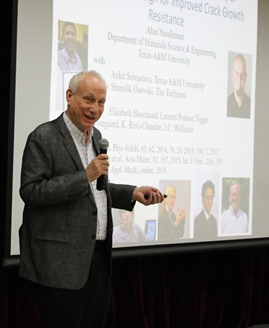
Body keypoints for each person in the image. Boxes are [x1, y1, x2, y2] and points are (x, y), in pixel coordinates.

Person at [19, 70, 164, 328]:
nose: (95, 109)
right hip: (59, 262)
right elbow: (31, 191)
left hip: (96, 257)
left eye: (101, 102)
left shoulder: (96, 137)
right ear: (69, 96)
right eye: (88, 99)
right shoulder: (44, 137)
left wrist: (131, 193)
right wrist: (84, 176)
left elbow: (96, 189)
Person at [227, 54, 251, 118]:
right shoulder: (226, 103)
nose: (239, 79)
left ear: (245, 77)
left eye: (242, 74)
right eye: (237, 73)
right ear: (233, 75)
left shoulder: (251, 105)